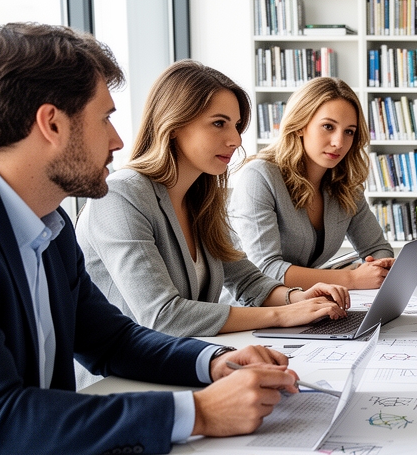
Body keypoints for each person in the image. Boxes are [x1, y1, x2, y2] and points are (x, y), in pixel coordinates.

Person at [0, 23, 302, 455]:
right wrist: (200, 412)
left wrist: (215, 362)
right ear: (51, 123)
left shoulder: (48, 225)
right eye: (105, 118)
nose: (117, 140)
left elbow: (112, 341)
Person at [76, 60, 350, 338]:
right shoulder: (121, 196)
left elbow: (247, 280)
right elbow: (163, 316)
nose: (236, 140)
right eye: (219, 123)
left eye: (237, 126)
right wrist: (282, 315)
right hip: (119, 377)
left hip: (187, 359)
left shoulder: (200, 198)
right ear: (174, 123)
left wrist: (297, 299)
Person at [229, 77, 394, 290]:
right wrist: (351, 279)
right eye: (328, 126)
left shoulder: (345, 185)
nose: (339, 142)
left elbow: (377, 248)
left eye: (349, 131)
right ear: (299, 126)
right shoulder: (260, 176)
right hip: (252, 310)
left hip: (304, 305)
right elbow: (265, 269)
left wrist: (379, 267)